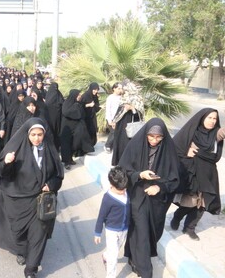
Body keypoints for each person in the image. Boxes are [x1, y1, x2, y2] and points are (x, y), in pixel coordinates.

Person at [0, 117, 64, 278]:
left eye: (40, 134)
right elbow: (2, 175)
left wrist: (51, 185)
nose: (36, 138)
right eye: (33, 134)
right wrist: (7, 163)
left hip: (41, 201)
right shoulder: (15, 150)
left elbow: (58, 175)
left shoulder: (49, 150)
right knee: (18, 233)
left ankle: (31, 269)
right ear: (27, 134)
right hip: (18, 201)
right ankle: (21, 250)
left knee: (39, 233)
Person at [118, 118, 180, 278]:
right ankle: (146, 272)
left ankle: (134, 258)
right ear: (145, 134)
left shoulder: (168, 151)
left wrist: (159, 187)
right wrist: (140, 174)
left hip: (157, 202)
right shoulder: (135, 146)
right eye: (151, 136)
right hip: (137, 196)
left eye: (159, 137)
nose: (154, 140)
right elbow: (121, 171)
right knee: (141, 231)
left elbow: (175, 180)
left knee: (150, 232)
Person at [170, 108, 225, 241]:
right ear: (202, 118)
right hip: (192, 172)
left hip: (208, 174)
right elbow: (174, 146)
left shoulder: (216, 135)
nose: (212, 121)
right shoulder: (192, 131)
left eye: (215, 119)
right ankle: (177, 216)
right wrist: (186, 152)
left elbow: (220, 137)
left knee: (203, 203)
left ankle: (189, 228)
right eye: (209, 118)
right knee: (190, 201)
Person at [94, 166, 130, 278]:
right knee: (113, 257)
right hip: (112, 230)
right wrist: (97, 233)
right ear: (112, 186)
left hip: (124, 229)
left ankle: (106, 255)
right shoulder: (107, 198)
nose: (123, 191)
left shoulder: (126, 193)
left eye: (124, 189)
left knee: (116, 249)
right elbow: (101, 216)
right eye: (120, 190)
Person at [111, 81, 145, 166]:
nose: (122, 90)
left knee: (128, 145)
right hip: (121, 127)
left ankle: (128, 164)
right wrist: (114, 121)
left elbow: (140, 115)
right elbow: (119, 112)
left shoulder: (138, 99)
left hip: (131, 127)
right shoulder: (123, 98)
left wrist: (132, 108)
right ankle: (120, 163)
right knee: (120, 144)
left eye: (124, 88)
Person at [60, 89, 94, 169]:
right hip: (67, 128)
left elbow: (82, 114)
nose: (80, 96)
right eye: (78, 95)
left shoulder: (78, 104)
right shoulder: (67, 103)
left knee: (75, 143)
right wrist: (76, 111)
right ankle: (66, 161)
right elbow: (66, 112)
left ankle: (70, 158)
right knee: (66, 145)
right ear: (74, 95)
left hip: (76, 127)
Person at [80, 82, 101, 146]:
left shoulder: (95, 96)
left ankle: (92, 144)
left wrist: (99, 107)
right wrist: (88, 105)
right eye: (94, 89)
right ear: (91, 89)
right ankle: (87, 145)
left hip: (92, 116)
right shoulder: (85, 96)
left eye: (97, 90)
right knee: (87, 130)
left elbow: (96, 106)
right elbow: (80, 106)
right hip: (86, 117)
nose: (96, 91)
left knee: (93, 129)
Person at [104, 83, 123, 153]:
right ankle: (107, 145)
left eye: (121, 89)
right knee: (113, 133)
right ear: (114, 88)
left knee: (118, 133)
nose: (120, 90)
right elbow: (108, 109)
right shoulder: (110, 98)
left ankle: (114, 147)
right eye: (118, 88)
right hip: (112, 118)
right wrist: (109, 120)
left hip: (120, 117)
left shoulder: (122, 97)